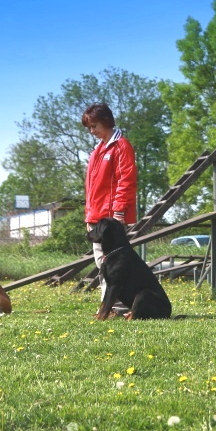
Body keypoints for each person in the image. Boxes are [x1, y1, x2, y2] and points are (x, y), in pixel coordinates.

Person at [83, 102, 138, 306]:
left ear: (106, 122)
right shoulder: (98, 149)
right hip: (96, 215)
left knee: (112, 263)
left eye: (94, 126)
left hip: (110, 218)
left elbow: (127, 180)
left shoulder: (121, 146)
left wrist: (119, 212)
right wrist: (88, 214)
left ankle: (117, 304)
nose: (92, 131)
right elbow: (93, 187)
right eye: (89, 127)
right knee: (102, 263)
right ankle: (111, 304)